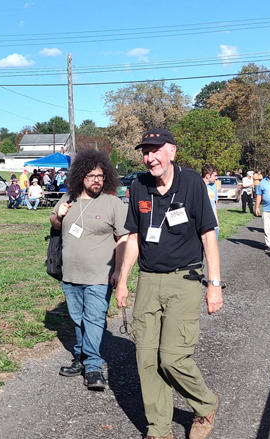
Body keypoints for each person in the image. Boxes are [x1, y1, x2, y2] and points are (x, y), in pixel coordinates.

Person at [115, 128, 222, 439]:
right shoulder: (138, 186)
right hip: (148, 280)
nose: (150, 157)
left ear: (172, 151)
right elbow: (133, 237)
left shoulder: (192, 184)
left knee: (172, 358)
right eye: (146, 151)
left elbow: (207, 235)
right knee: (147, 360)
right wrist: (123, 281)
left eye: (156, 150)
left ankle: (205, 405)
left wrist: (214, 284)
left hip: (184, 278)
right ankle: (159, 429)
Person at [50, 150, 128, 390]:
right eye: (92, 176)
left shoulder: (112, 203)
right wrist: (59, 215)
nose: (97, 180)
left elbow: (124, 239)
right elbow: (54, 222)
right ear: (80, 176)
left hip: (99, 275)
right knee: (77, 318)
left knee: (94, 319)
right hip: (70, 273)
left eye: (101, 176)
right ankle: (81, 357)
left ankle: (93, 366)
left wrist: (119, 272)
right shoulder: (69, 198)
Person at [201, 164, 220, 238]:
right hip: (203, 223)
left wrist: (217, 221)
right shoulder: (198, 185)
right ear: (208, 175)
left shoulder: (213, 186)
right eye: (215, 175)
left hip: (212, 222)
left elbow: (214, 204)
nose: (216, 178)